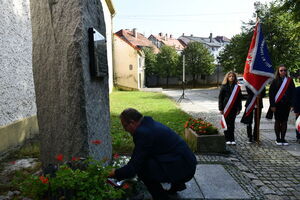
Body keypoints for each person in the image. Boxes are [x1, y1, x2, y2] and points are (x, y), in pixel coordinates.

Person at [108, 108, 197, 200]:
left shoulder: (143, 133)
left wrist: (115, 173)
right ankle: (177, 185)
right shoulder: (148, 124)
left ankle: (161, 197)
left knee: (142, 169)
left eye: (125, 126)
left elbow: (134, 167)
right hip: (187, 162)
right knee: (149, 159)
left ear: (132, 122)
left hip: (185, 168)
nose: (125, 130)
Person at [268, 65, 295, 146]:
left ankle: (283, 138)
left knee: (284, 121)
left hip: (286, 105)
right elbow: (271, 94)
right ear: (278, 72)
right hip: (277, 105)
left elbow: (293, 93)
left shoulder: (290, 80)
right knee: (278, 121)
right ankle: (278, 138)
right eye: (281, 70)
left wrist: (292, 104)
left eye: (284, 70)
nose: (283, 72)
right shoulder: (275, 81)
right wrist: (272, 105)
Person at [218, 72, 242, 145]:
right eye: (230, 76)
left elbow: (239, 99)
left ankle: (232, 139)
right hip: (225, 108)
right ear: (227, 77)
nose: (231, 77)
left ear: (235, 78)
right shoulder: (224, 86)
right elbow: (220, 98)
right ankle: (227, 138)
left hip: (234, 108)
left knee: (232, 124)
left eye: (233, 76)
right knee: (226, 123)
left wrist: (239, 108)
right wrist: (221, 108)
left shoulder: (237, 87)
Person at [293, 75, 300, 143]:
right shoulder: (297, 89)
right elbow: (295, 101)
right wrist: (296, 110)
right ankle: (298, 137)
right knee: (298, 124)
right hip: (299, 110)